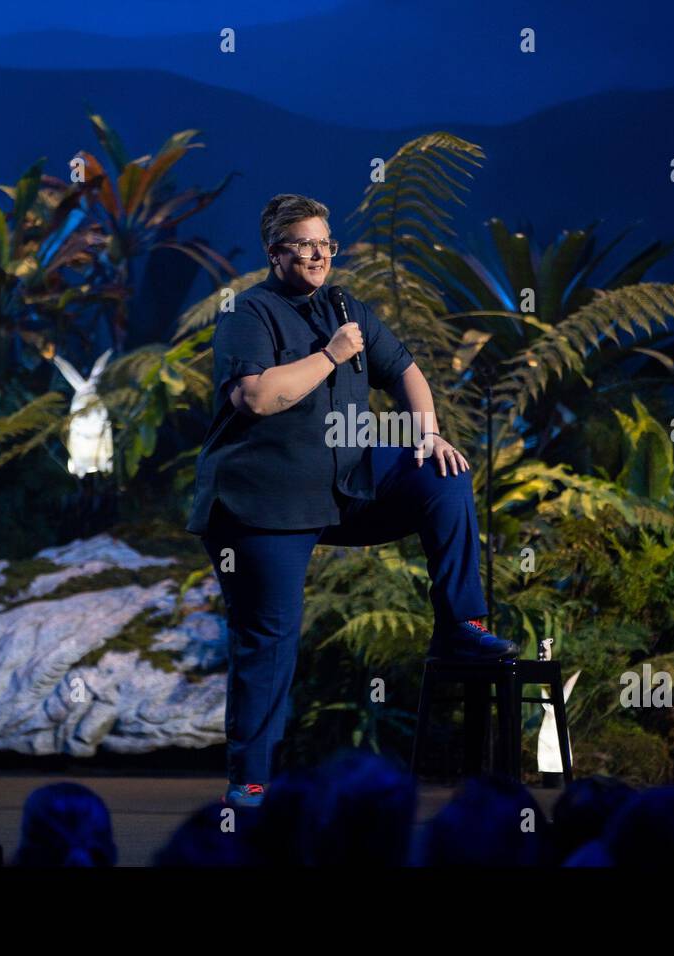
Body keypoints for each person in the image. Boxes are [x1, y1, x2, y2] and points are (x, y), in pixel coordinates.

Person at [186, 194, 517, 807]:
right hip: (263, 504)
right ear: (275, 252)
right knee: (269, 639)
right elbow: (257, 398)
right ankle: (250, 781)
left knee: (442, 476)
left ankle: (459, 627)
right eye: (304, 244)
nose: (318, 255)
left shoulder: (346, 306)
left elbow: (407, 370)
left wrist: (428, 432)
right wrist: (331, 355)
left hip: (346, 484)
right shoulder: (248, 314)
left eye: (325, 243)